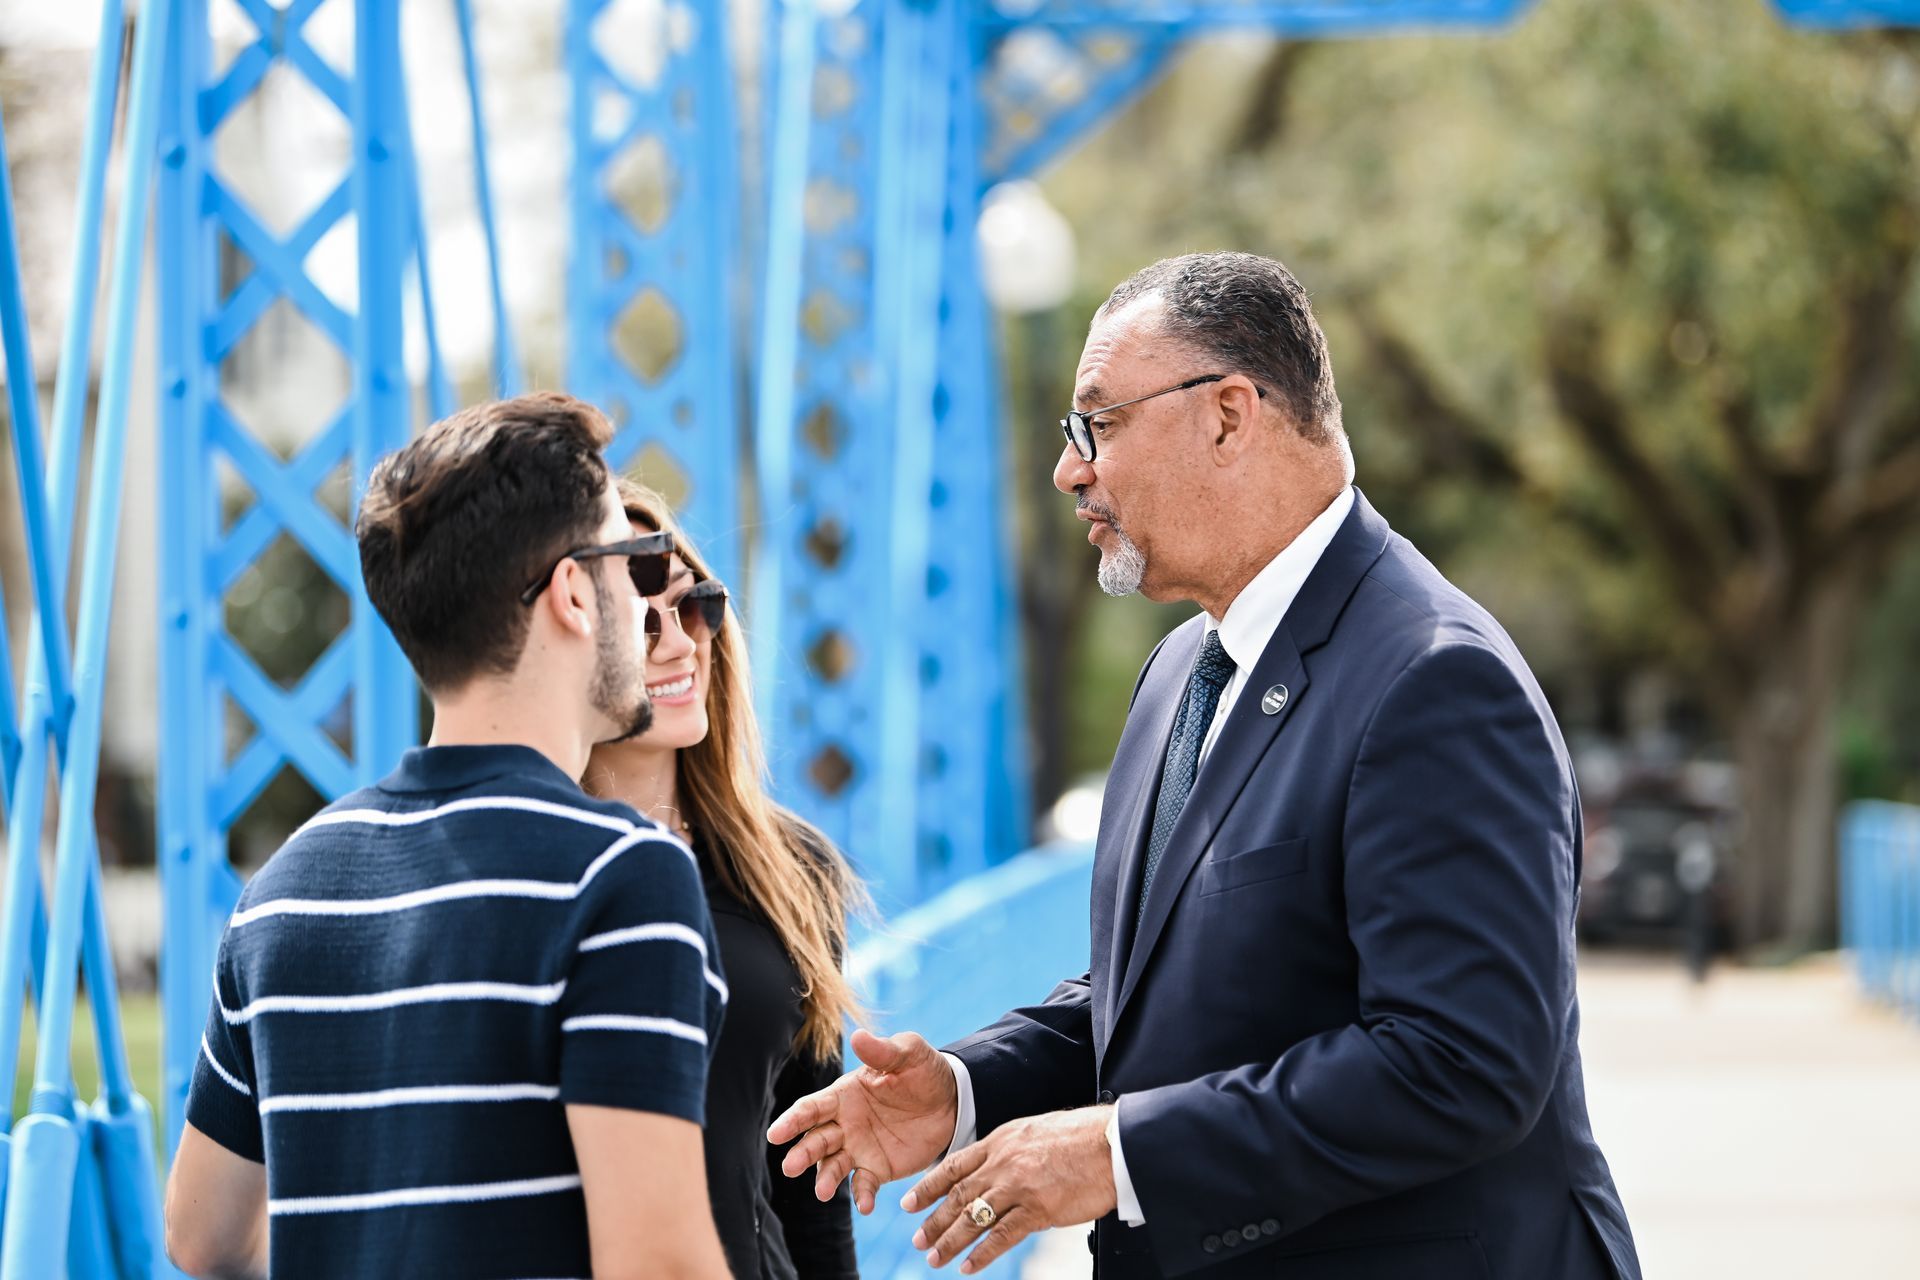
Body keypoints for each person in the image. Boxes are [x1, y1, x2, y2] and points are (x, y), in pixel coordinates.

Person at [769, 252, 1643, 1280]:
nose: (1071, 469)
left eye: (1101, 422)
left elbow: (1462, 1061)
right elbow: (1157, 991)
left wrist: (1119, 1151)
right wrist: (967, 1088)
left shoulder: (1435, 678)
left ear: (1229, 415)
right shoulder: (1183, 666)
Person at [164, 393, 732, 1280]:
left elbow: (203, 1238)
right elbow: (658, 1263)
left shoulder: (279, 893)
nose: (647, 599)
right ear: (576, 593)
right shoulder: (623, 877)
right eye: (635, 563)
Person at [583, 478, 866, 1279]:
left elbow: (809, 1178)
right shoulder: (528, 873)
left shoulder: (787, 867)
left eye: (694, 605)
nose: (681, 644)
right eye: (642, 621)